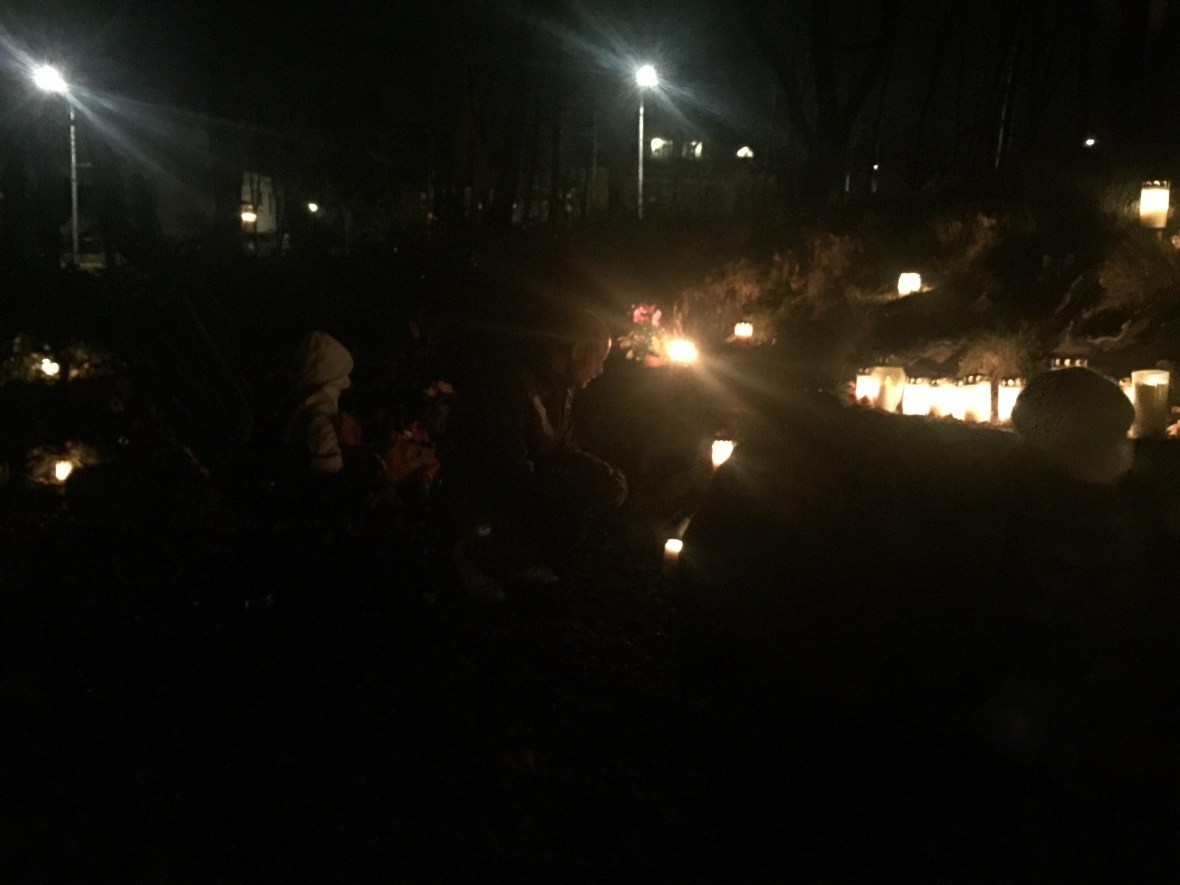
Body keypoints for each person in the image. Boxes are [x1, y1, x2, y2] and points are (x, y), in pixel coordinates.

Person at [445, 306, 627, 599]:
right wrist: (567, 486)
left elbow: (560, 445)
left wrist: (598, 471)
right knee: (570, 499)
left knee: (592, 488)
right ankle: (475, 555)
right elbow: (502, 468)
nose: (601, 370)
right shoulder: (509, 383)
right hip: (482, 489)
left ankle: (519, 557)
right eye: (599, 358)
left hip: (523, 477)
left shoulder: (561, 388)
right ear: (576, 350)